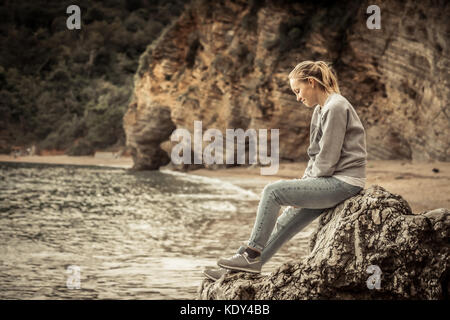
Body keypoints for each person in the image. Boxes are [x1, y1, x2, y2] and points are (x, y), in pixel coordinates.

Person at [203, 60, 367, 281]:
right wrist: (304, 187)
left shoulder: (336, 106)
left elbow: (327, 161)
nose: (298, 97)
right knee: (284, 222)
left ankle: (251, 253)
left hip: (345, 182)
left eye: (298, 90)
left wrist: (302, 190)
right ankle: (239, 270)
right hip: (331, 181)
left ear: (311, 82)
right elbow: (314, 156)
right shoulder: (320, 110)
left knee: (273, 191)